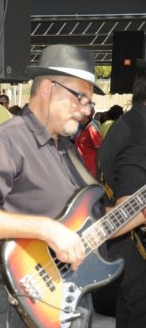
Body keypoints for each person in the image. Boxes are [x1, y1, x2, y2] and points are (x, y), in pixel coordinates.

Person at [0, 45, 112, 328]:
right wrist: (47, 229)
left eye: (88, 102)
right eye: (80, 98)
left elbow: (89, 226)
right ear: (49, 88)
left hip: (74, 295)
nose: (86, 110)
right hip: (29, 302)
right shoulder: (7, 142)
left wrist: (131, 212)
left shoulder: (66, 149)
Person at [97, 60, 146, 328]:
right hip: (135, 254)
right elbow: (125, 213)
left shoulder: (129, 123)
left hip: (125, 257)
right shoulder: (139, 136)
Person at [74, 107, 102, 176]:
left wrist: (99, 165)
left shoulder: (91, 129)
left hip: (89, 170)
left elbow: (100, 148)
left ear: (85, 117)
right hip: (82, 167)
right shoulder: (85, 128)